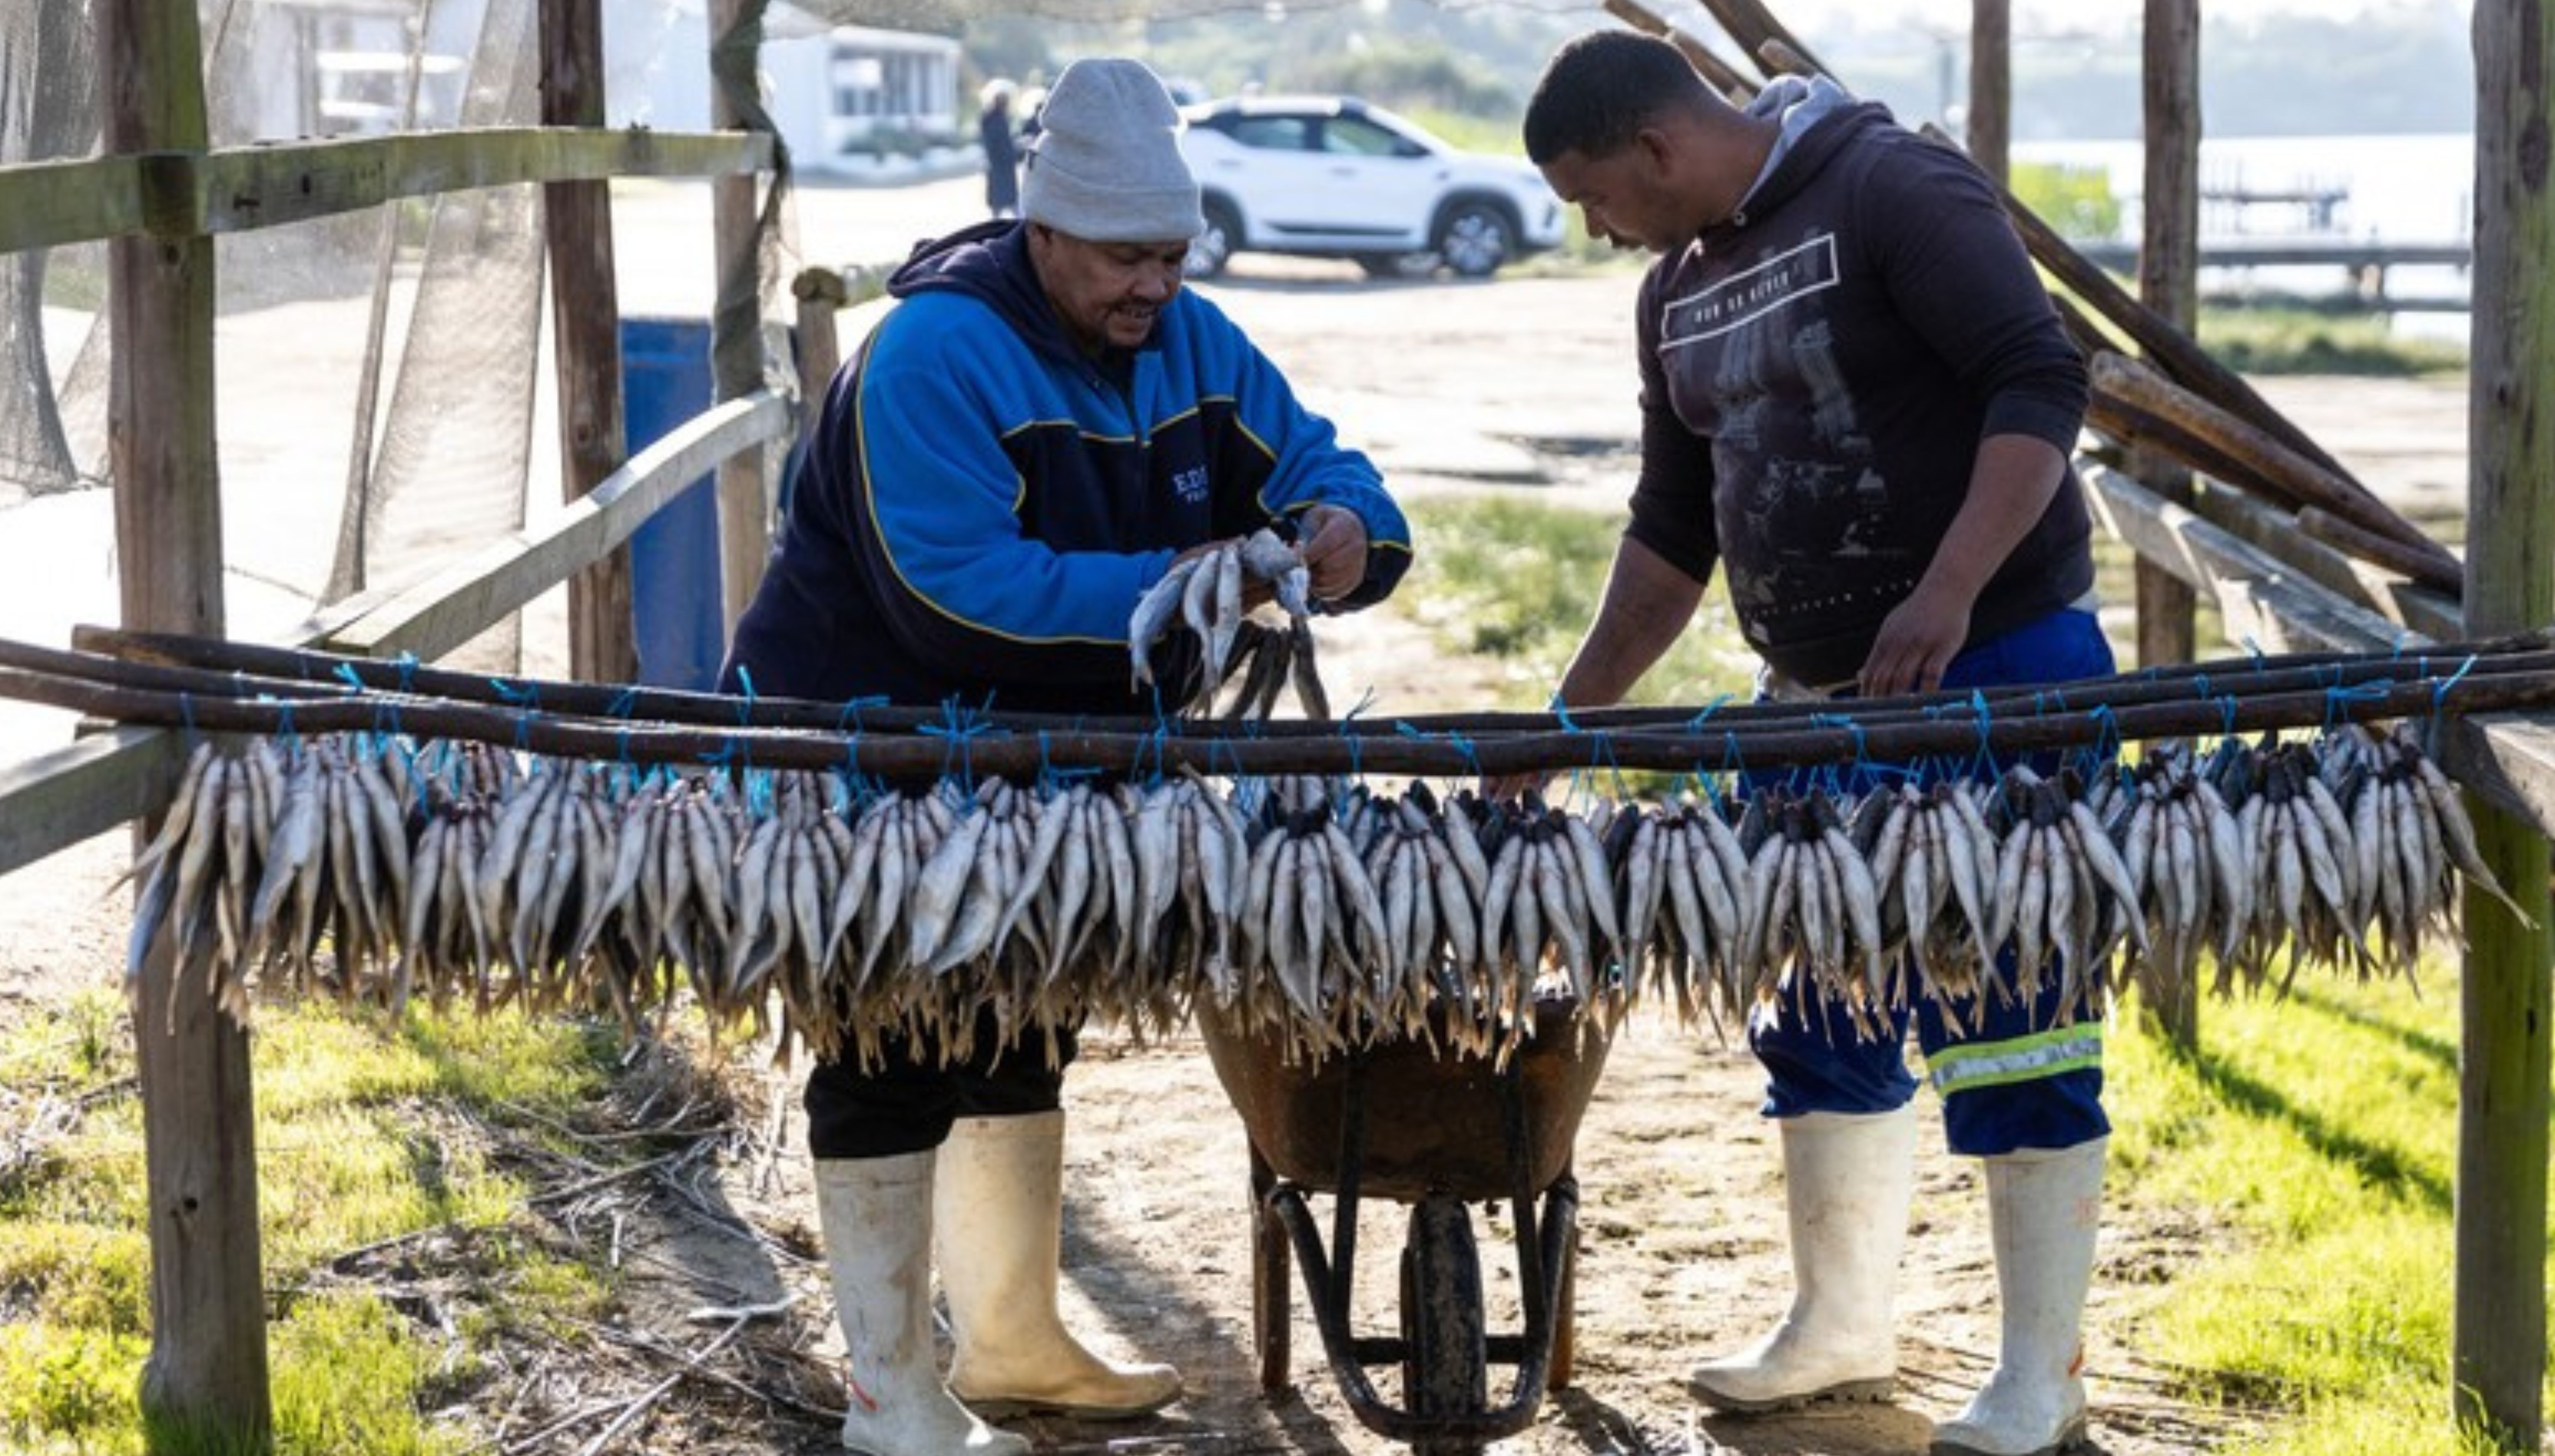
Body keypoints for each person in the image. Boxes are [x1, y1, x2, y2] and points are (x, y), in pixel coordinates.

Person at [723, 57, 1411, 1456]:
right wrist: (1193, 575)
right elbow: (956, 588)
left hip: (1059, 773)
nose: (1153, 285)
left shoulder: (1198, 342)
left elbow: (1328, 472)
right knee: (892, 1035)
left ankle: (1016, 1338)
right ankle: (886, 1390)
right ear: (1042, 232)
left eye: (1172, 254)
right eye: (1124, 259)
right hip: (875, 758)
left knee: (1027, 1022)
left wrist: (1341, 532)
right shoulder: (933, 353)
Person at [1519, 31, 2108, 1456]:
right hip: (1811, 707)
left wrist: (1949, 588)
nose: (1599, 232)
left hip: (2003, 673)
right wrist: (1563, 719)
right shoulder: (1675, 290)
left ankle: (2042, 1369)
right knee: (1821, 1009)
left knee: (2015, 1008)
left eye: (1596, 197)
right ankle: (1838, 1325)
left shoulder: (1892, 185)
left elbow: (2040, 382)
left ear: (1657, 148)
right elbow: (1671, 535)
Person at [977, 78, 1021, 220]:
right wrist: (1014, 152)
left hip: (1001, 166)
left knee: (1004, 205)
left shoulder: (996, 118)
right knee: (1003, 204)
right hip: (1000, 166)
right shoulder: (993, 119)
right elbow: (998, 144)